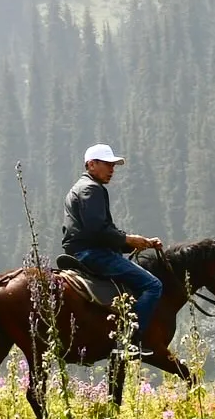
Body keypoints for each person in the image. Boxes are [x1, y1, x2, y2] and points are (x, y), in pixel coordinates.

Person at [63, 142, 161, 351]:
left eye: (113, 165)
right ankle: (129, 341)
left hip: (82, 251)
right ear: (91, 164)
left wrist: (138, 242)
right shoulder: (91, 189)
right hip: (93, 254)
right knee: (153, 286)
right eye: (107, 164)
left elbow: (101, 232)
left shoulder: (81, 187)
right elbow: (98, 230)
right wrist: (128, 240)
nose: (112, 170)